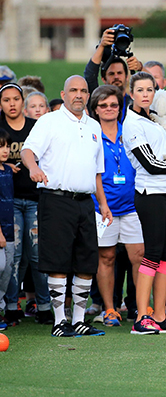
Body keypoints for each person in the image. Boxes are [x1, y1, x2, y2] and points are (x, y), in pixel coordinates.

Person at [21, 75, 111, 337]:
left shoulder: (94, 126)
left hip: (86, 203)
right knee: (58, 262)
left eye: (83, 91)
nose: (79, 95)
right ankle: (60, 321)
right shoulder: (50, 121)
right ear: (63, 94)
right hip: (55, 199)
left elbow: (97, 172)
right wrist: (34, 167)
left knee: (86, 262)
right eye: (73, 90)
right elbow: (28, 151)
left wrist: (103, 205)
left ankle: (80, 320)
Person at [123, 72, 166, 334]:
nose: (145, 94)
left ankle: (161, 315)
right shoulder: (131, 123)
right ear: (131, 93)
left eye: (149, 90)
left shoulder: (154, 118)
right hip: (150, 193)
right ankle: (142, 316)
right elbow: (150, 164)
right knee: (152, 254)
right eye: (140, 90)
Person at [87, 86, 143, 327]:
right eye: (103, 105)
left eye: (113, 105)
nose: (109, 109)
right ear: (95, 109)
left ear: (120, 108)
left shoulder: (130, 130)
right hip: (102, 207)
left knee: (138, 256)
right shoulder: (90, 133)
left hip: (133, 205)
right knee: (107, 257)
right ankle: (110, 309)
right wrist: (101, 203)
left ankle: (143, 309)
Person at [0, 83, 52, 325]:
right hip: (8, 204)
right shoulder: (0, 129)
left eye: (16, 99)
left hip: (35, 199)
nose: (12, 104)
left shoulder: (36, 127)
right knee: (14, 256)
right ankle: (12, 306)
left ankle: (44, 306)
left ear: (23, 101)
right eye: (6, 100)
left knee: (39, 254)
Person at [0, 129, 14, 330]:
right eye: (0, 146)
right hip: (2, 232)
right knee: (1, 267)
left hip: (10, 230)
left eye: (7, 146)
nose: (5, 150)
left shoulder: (8, 170)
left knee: (7, 270)